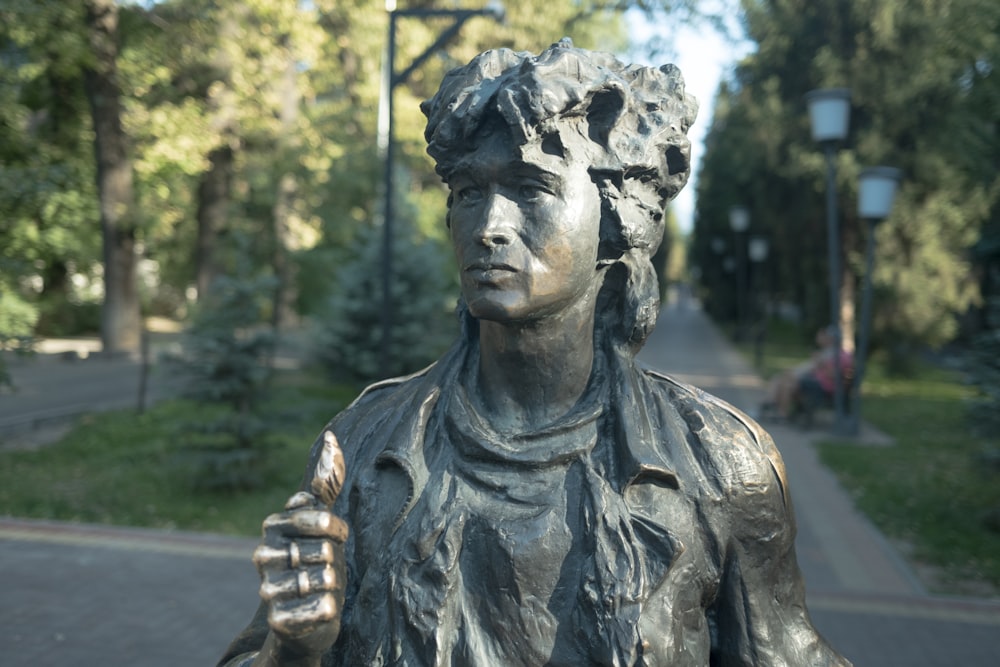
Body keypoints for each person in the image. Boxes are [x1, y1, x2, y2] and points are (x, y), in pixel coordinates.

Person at [219, 39, 851, 667]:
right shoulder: (362, 448)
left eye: (530, 188)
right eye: (468, 192)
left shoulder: (718, 465)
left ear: (615, 218)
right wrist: (290, 652)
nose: (488, 224)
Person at [759, 326, 854, 420]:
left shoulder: (841, 356)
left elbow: (834, 376)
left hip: (823, 387)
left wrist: (821, 363)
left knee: (787, 383)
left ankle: (776, 409)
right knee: (785, 382)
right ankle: (777, 409)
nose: (827, 339)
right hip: (817, 383)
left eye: (829, 337)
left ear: (834, 339)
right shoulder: (832, 353)